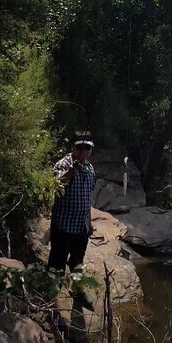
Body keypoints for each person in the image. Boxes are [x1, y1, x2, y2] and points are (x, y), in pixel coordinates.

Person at [48, 130, 97, 305]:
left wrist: (89, 223)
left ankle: (77, 291)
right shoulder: (63, 164)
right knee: (57, 263)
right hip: (63, 225)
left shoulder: (90, 169)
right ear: (72, 147)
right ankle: (51, 299)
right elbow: (54, 187)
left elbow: (88, 198)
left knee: (77, 261)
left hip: (81, 226)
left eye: (87, 148)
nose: (83, 151)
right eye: (80, 148)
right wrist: (69, 173)